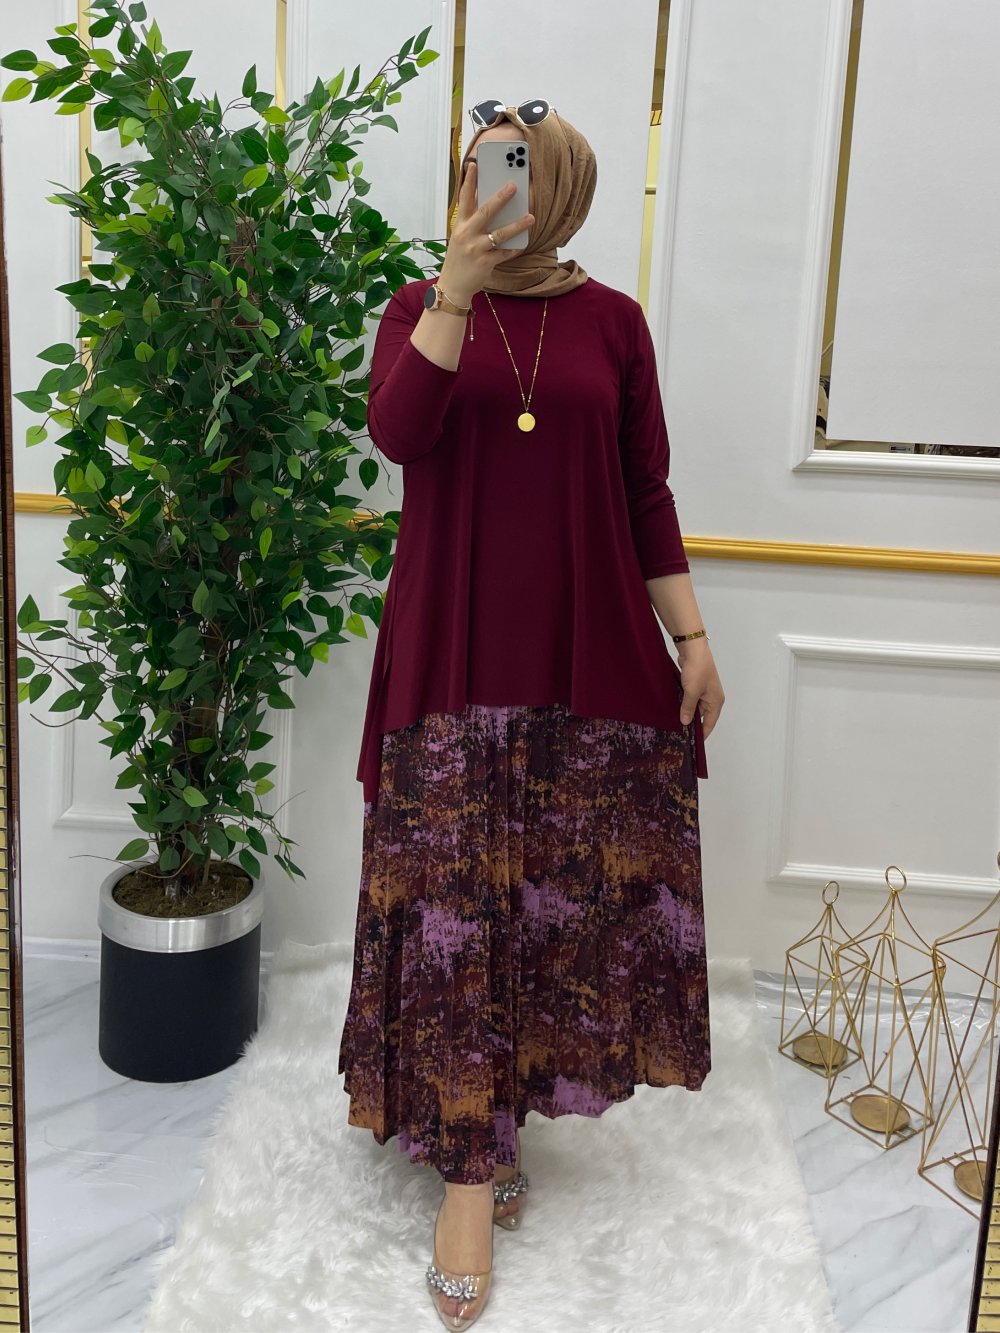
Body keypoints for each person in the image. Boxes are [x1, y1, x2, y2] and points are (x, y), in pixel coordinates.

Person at [337, 100, 726, 1330]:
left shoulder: (613, 322)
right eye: (472, 170)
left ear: (555, 183)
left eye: (509, 169)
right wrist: (455, 289)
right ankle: (465, 1176)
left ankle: (499, 1119)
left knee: (551, 891)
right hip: (449, 657)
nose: (486, 188)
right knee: (452, 901)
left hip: (583, 657)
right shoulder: (419, 305)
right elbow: (397, 432)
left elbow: (644, 488)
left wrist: (692, 637)